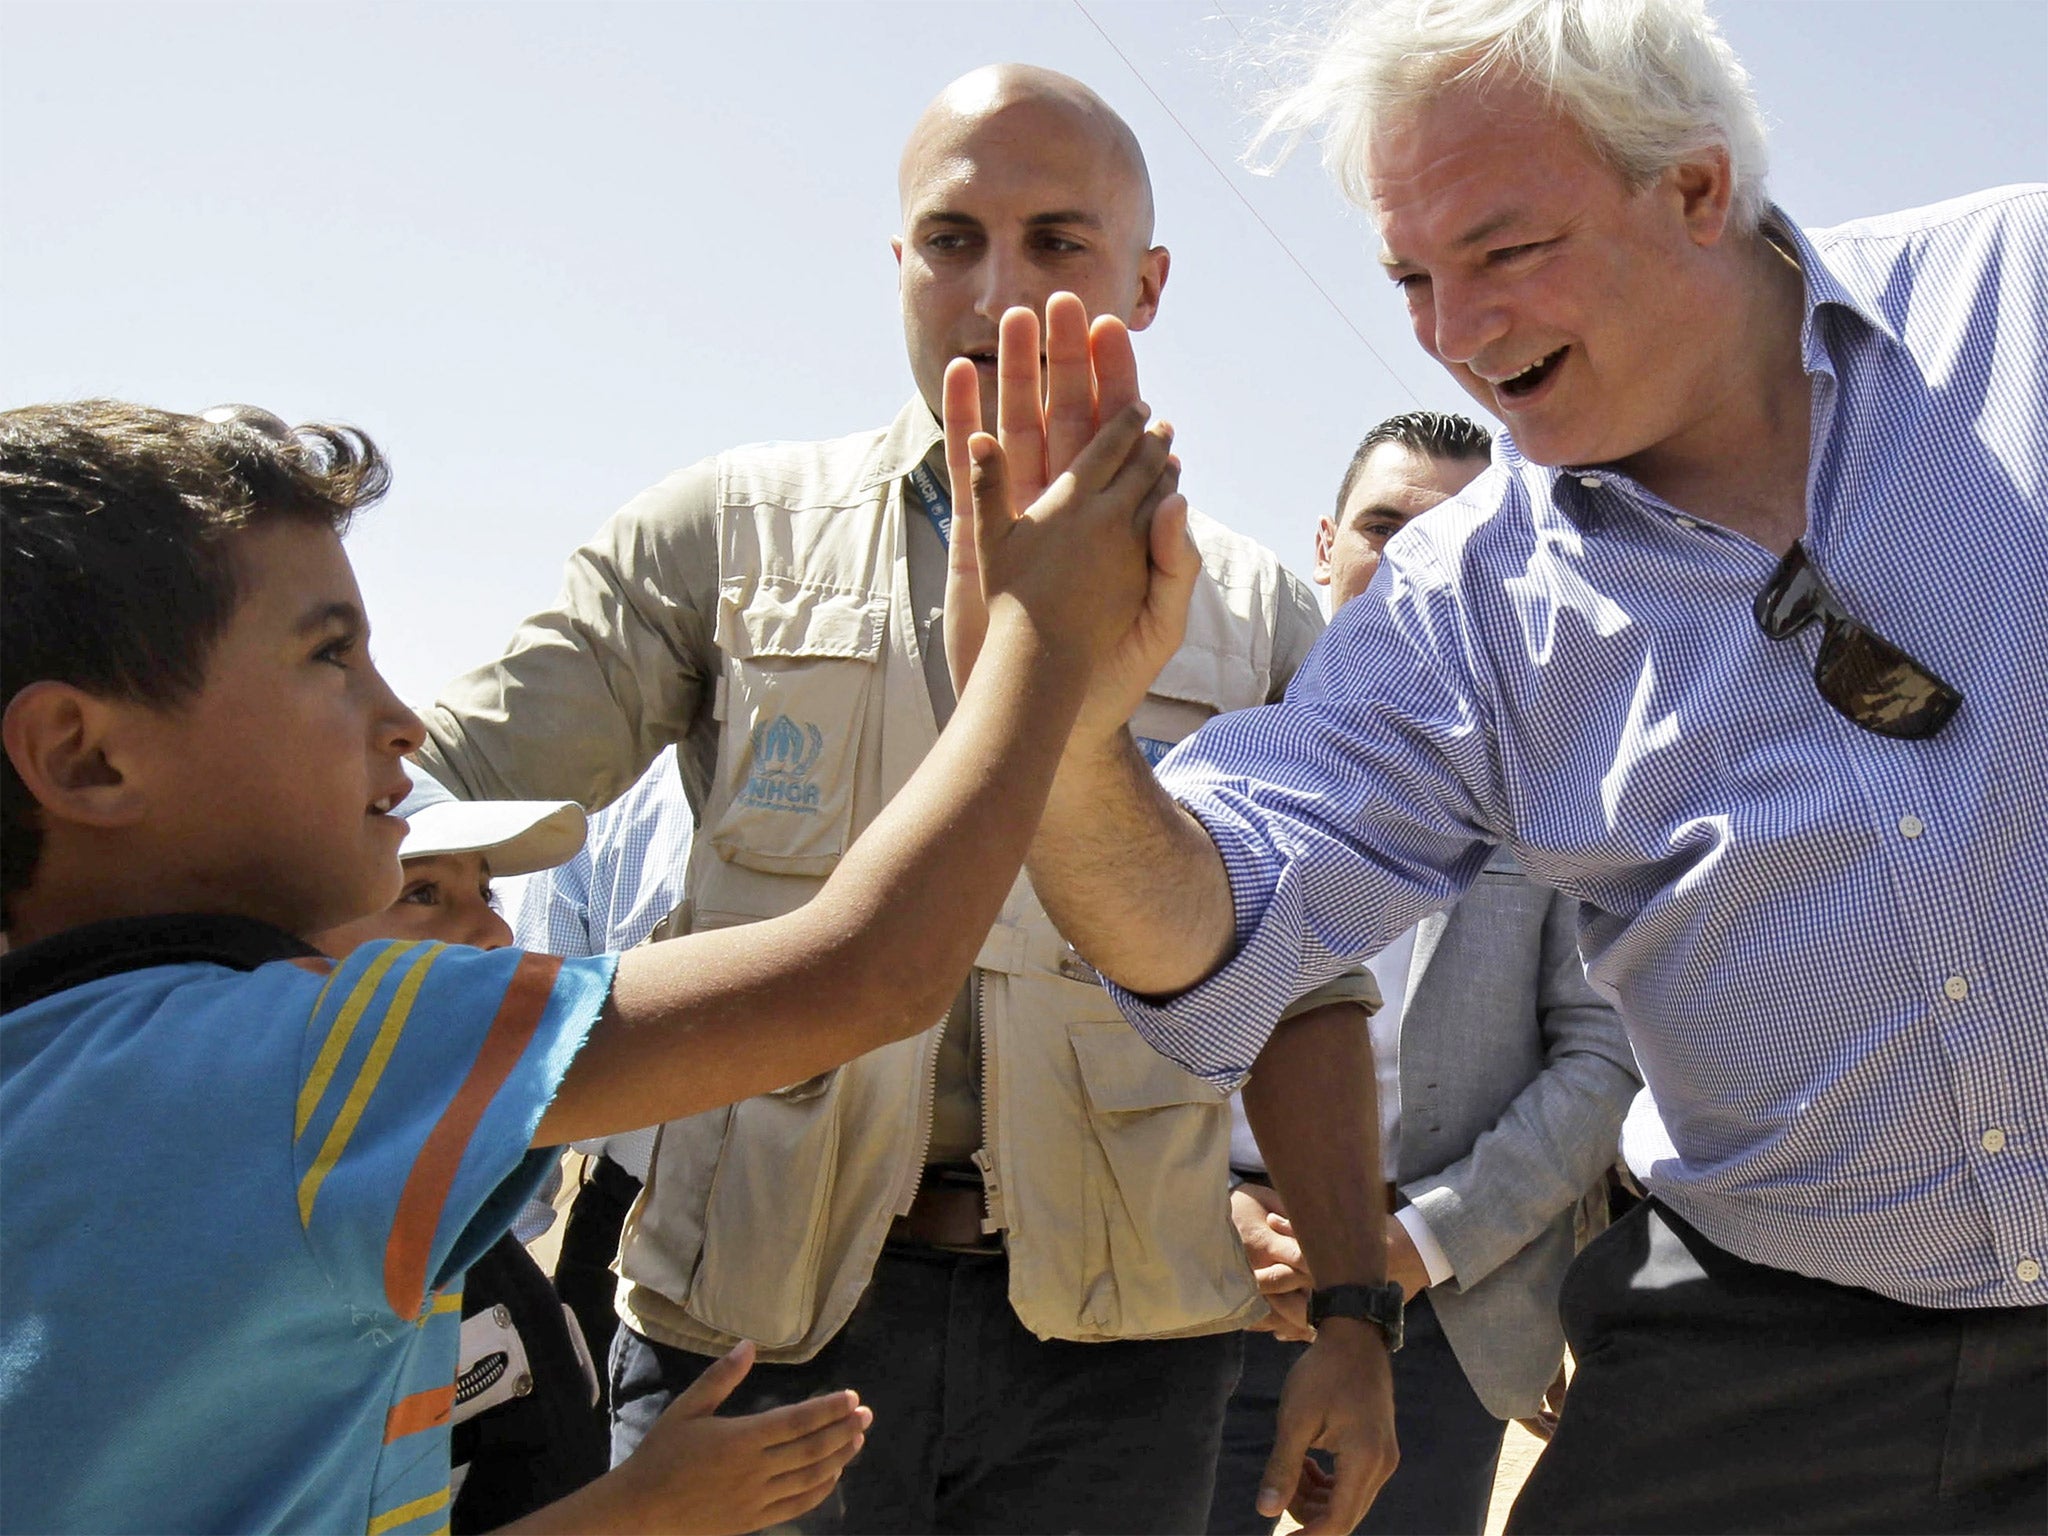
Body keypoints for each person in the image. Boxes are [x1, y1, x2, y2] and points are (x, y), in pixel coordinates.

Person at [948, 1, 2048, 1530]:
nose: (1455, 336)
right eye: (1412, 277)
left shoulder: (2025, 298)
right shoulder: (1468, 607)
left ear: (1696, 189)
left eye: (1505, 252)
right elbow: (1211, 929)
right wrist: (1065, 732)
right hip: (1778, 1345)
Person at [414, 64, 1396, 1536]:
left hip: (1121, 1365)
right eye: (952, 239)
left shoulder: (1251, 613)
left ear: (1150, 278)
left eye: (1060, 243)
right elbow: (447, 798)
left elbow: (1307, 995)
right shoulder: (721, 537)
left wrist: (1355, 1316)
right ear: (896, 263)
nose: (1000, 291)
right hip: (757, 1333)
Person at [0, 375, 1176, 1533]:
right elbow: (869, 973)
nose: (402, 718)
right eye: (329, 655)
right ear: (86, 758)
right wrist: (1039, 639)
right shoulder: (302, 1061)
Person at [1207, 411, 1640, 1536]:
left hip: (1443, 1317)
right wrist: (1214, 1211)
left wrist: (1404, 1250)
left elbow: (1599, 1060)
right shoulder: (1207, 766)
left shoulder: (1559, 787)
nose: (1406, 557)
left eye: (1443, 534)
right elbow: (1116, 1017)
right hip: (1201, 1283)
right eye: (1380, 524)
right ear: (1321, 543)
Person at [510, 746, 692, 1389]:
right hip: (627, 1232)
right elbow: (535, 1053)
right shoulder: (609, 793)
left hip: (884, 1240)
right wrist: (497, 1276)